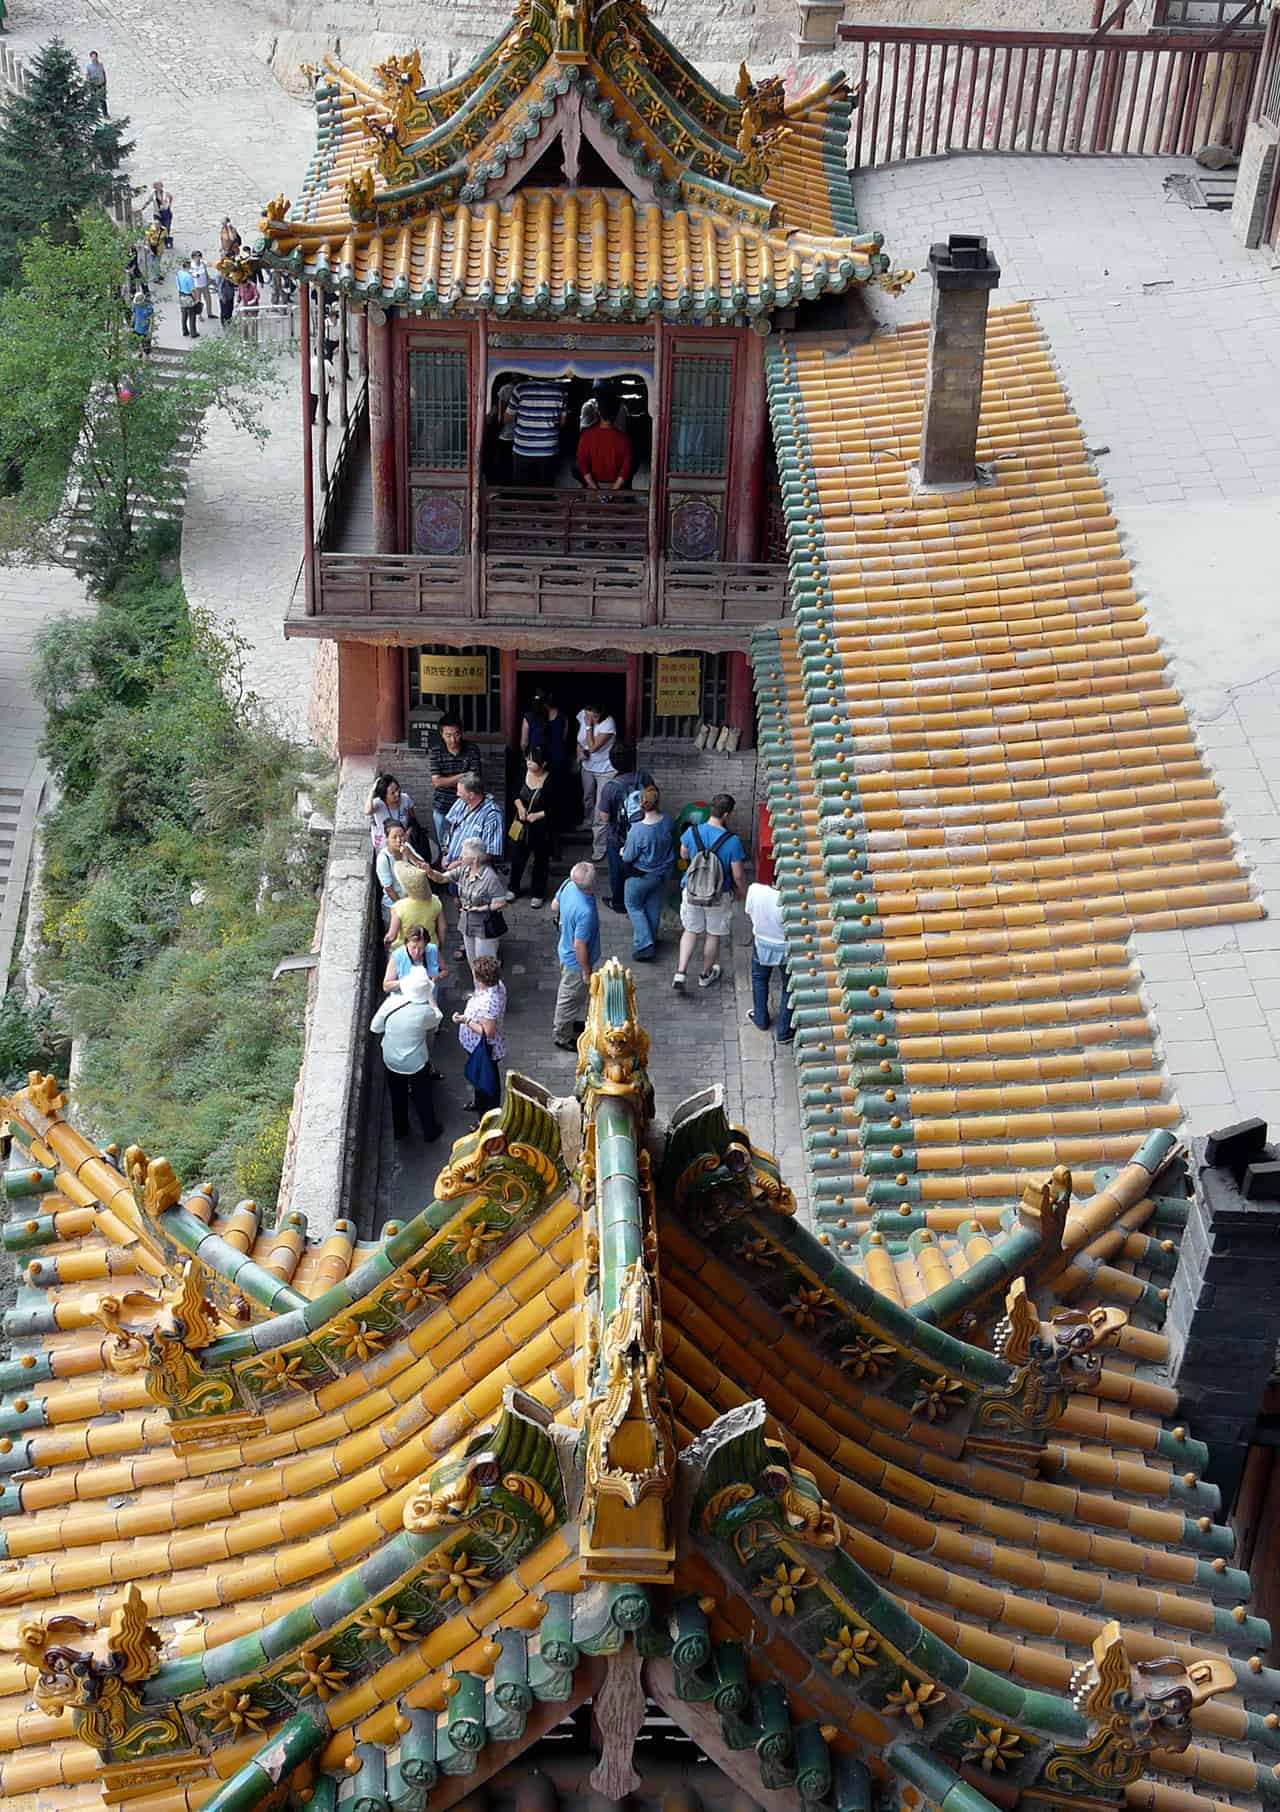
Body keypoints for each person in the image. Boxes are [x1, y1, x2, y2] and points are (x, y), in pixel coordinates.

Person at [673, 793, 747, 992]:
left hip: (692, 890)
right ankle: (706, 974)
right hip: (718, 894)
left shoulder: (692, 832)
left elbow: (684, 854)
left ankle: (680, 972)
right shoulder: (732, 841)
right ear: (726, 815)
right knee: (713, 934)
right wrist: (741, 892)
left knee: (690, 931)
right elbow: (738, 874)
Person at [370, 967, 442, 1142]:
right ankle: (430, 1131)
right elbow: (437, 1018)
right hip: (416, 1062)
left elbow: (375, 1027)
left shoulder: (391, 1004)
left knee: (397, 1096)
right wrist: (432, 1002)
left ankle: (401, 1130)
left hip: (391, 1059)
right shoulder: (424, 1012)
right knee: (423, 1098)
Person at [620, 785, 675, 962]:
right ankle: (651, 938)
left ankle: (644, 944)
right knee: (653, 907)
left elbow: (628, 857)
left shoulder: (637, 830)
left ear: (641, 804)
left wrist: (622, 851)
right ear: (658, 802)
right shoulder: (667, 820)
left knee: (634, 907)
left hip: (640, 875)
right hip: (661, 874)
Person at [597, 744, 652, 913]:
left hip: (619, 836)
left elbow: (604, 817)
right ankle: (639, 899)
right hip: (644, 830)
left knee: (618, 871)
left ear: (612, 762)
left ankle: (620, 903)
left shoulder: (611, 787)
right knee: (641, 866)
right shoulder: (644, 778)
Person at [551, 861, 599, 1051]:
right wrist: (586, 971)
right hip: (575, 961)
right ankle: (562, 1035)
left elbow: (555, 906)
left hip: (564, 950)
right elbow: (580, 945)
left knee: (574, 995)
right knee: (569, 997)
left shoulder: (568, 885)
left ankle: (568, 1023)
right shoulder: (586, 912)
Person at [454, 954, 507, 1115]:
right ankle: (479, 1104)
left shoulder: (490, 1001)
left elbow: (488, 1033)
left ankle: (486, 1117)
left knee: (486, 1083)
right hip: (474, 1046)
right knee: (479, 1078)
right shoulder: (496, 987)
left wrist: (466, 1020)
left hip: (483, 1048)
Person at [744, 874, 794, 1043]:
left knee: (759, 979)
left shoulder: (755, 890)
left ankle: (761, 1018)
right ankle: (784, 1031)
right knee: (789, 987)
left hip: (762, 942)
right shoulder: (793, 902)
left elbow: (748, 911)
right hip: (786, 947)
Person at [427, 715, 482, 857]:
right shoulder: (436, 751)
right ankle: (446, 876)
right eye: (448, 735)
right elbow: (437, 782)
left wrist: (449, 780)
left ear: (461, 733)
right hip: (443, 807)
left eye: (456, 734)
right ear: (441, 734)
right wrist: (462, 776)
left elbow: (474, 780)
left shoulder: (472, 749)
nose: (453, 740)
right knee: (446, 849)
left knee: (466, 849)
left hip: (467, 808)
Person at [455, 838, 511, 975]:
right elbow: (441, 877)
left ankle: (492, 993)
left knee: (485, 964)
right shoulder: (463, 870)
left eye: (464, 854)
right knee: (472, 960)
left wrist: (480, 908)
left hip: (484, 925)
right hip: (467, 923)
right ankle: (478, 991)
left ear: (474, 859)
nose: (460, 856)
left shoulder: (490, 877)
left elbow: (501, 902)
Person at [508, 749, 554, 908]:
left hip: (542, 827)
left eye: (532, 761)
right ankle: (513, 888)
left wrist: (537, 815)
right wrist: (519, 807)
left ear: (543, 764)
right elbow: (514, 793)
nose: (529, 763)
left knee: (540, 861)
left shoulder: (551, 780)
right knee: (517, 858)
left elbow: (557, 807)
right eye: (527, 759)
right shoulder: (523, 773)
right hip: (522, 824)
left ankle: (538, 893)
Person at [576, 703, 617, 859]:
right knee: (587, 797)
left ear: (601, 714)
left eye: (594, 716)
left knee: (601, 808)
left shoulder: (608, 724)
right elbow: (579, 740)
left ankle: (599, 847)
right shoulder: (583, 715)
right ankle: (587, 822)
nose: (589, 718)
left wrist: (588, 727)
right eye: (588, 714)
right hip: (587, 766)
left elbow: (593, 747)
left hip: (605, 769)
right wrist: (579, 752)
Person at [510, 375, 566, 486]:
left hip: (523, 448)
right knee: (545, 488)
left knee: (522, 489)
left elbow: (508, 417)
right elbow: (563, 423)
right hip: (548, 448)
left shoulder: (520, 388)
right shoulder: (560, 391)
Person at [443, 775, 505, 869]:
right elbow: (451, 828)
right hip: (452, 866)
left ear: (471, 795)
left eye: (460, 792)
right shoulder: (461, 802)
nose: (457, 794)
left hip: (471, 871)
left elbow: (489, 853)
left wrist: (459, 864)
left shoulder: (492, 815)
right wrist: (446, 852)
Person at [384, 864, 445, 955]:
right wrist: (440, 946)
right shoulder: (435, 901)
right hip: (429, 946)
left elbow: (392, 936)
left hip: (405, 949)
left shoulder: (399, 907)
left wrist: (386, 944)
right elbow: (443, 927)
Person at [577, 397, 633, 493]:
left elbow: (582, 465)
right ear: (616, 414)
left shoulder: (586, 436)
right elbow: (625, 469)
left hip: (593, 489)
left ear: (598, 412)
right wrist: (612, 492)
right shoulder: (624, 439)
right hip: (616, 490)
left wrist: (596, 490)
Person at [375, 820, 424, 927]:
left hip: (410, 900)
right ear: (387, 838)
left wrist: (410, 855)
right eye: (394, 837)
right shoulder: (383, 858)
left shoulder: (406, 847)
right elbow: (389, 888)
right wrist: (403, 907)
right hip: (393, 905)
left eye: (401, 836)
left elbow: (424, 867)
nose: (399, 840)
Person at [364, 772, 424, 854]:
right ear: (384, 796)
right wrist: (372, 791)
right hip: (386, 845)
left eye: (397, 789)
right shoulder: (378, 804)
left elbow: (413, 820)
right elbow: (367, 811)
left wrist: (407, 833)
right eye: (392, 793)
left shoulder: (405, 798)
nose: (397, 794)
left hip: (404, 843)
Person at [176, 259, 200, 337]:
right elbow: (192, 290)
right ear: (188, 266)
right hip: (188, 296)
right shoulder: (188, 277)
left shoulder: (179, 273)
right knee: (192, 315)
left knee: (184, 314)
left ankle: (184, 330)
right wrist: (196, 299)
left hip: (181, 294)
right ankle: (193, 333)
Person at [130, 288, 154, 358]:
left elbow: (151, 320)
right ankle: (140, 353)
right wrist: (132, 325)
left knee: (146, 348)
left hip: (145, 330)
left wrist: (150, 330)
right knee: (139, 343)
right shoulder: (136, 306)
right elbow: (134, 315)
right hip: (137, 328)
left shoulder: (149, 308)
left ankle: (144, 364)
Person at [190, 250, 213, 322]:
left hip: (204, 284)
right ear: (193, 258)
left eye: (199, 256)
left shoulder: (202, 263)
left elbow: (208, 265)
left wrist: (209, 279)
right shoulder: (191, 265)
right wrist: (194, 275)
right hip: (197, 286)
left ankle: (209, 313)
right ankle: (199, 315)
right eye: (197, 256)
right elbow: (190, 275)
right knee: (198, 301)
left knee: (208, 299)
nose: (198, 258)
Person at [236, 272, 260, 340]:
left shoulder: (252, 286)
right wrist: (237, 302)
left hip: (253, 308)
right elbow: (239, 295)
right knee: (244, 324)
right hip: (245, 308)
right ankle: (245, 339)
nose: (243, 286)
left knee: (253, 325)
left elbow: (257, 295)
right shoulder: (240, 286)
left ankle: (253, 340)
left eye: (244, 284)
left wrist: (253, 300)